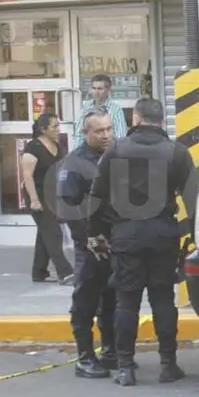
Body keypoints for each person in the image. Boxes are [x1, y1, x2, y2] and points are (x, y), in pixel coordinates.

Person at [89, 98, 194, 387]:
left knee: (127, 301)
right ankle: (168, 364)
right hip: (163, 234)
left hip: (126, 234)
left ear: (136, 118)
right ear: (162, 120)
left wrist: (96, 233)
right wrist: (191, 235)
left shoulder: (116, 149)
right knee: (163, 298)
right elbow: (194, 200)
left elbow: (97, 196)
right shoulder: (177, 152)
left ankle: (125, 367)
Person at [57, 110, 117, 378]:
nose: (105, 135)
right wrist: (90, 239)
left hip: (114, 241)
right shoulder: (74, 163)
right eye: (98, 131)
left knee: (112, 298)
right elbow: (69, 207)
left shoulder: (114, 156)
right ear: (86, 133)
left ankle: (110, 351)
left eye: (108, 129)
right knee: (85, 300)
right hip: (89, 245)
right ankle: (84, 357)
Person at [21, 113, 74, 285]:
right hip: (36, 195)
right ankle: (65, 272)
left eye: (58, 125)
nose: (58, 129)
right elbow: (27, 176)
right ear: (43, 129)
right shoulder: (33, 148)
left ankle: (39, 272)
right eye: (54, 126)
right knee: (53, 232)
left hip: (51, 196)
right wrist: (34, 201)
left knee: (44, 234)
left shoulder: (57, 145)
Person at [74, 74, 128, 147]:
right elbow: (79, 133)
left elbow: (120, 137)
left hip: (107, 150)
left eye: (99, 89)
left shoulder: (115, 109)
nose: (96, 92)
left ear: (108, 90)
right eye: (94, 88)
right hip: (87, 151)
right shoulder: (86, 106)